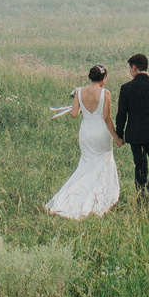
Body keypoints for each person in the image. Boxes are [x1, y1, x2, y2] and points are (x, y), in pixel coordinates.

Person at [42, 65, 121, 218]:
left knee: (86, 162)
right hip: (100, 131)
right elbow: (106, 118)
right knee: (103, 161)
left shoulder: (79, 92)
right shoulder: (105, 93)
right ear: (104, 78)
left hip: (86, 131)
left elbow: (73, 114)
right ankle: (100, 194)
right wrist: (116, 137)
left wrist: (81, 108)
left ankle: (70, 196)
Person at [116, 53, 149, 198]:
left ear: (134, 68)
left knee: (140, 166)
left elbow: (121, 115)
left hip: (135, 133)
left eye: (129, 68)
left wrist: (119, 135)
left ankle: (140, 195)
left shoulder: (126, 88)